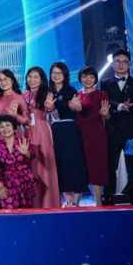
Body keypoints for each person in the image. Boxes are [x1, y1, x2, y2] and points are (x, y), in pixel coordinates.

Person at [102, 49, 133, 202]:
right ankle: (108, 200)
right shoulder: (104, 84)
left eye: (124, 62)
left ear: (129, 64)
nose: (121, 64)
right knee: (110, 168)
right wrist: (120, 106)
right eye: (117, 61)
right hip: (112, 133)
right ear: (112, 64)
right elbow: (104, 103)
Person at [47, 62, 88, 207]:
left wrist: (76, 107)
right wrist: (49, 108)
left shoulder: (71, 90)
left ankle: (76, 200)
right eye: (54, 72)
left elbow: (78, 107)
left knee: (74, 162)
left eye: (59, 73)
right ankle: (68, 200)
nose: (56, 75)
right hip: (54, 130)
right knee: (61, 164)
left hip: (69, 130)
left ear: (65, 75)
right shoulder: (48, 92)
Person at [73, 66, 111, 206]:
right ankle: (75, 202)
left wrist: (105, 114)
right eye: (84, 76)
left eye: (91, 77)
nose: (87, 79)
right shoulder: (77, 95)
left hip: (96, 135)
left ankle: (99, 202)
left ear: (95, 78)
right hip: (79, 136)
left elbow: (107, 117)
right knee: (80, 167)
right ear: (80, 78)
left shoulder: (102, 94)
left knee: (96, 167)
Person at [23, 66, 60, 209]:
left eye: (36, 77)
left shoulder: (46, 93)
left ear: (42, 79)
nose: (32, 80)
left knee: (43, 164)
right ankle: (33, 203)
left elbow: (54, 113)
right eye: (30, 76)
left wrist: (50, 107)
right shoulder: (24, 94)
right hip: (27, 131)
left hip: (41, 130)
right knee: (30, 165)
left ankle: (48, 203)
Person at [0, 115, 37, 210]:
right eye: (2, 127)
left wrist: (26, 153)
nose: (5, 129)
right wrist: (0, 186)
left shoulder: (22, 141)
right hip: (7, 180)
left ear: (14, 128)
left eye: (8, 125)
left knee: (25, 209)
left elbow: (32, 156)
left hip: (24, 179)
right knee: (8, 208)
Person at [0, 69, 30, 133]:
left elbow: (27, 120)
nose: (3, 82)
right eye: (0, 80)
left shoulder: (19, 98)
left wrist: (15, 115)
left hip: (14, 133)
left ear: (12, 80)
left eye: (5, 79)